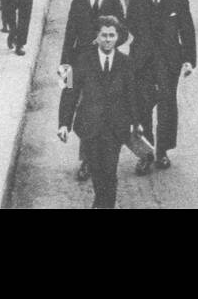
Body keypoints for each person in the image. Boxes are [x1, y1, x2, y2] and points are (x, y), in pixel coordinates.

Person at [57, 16, 140, 210]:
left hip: (114, 128)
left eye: (112, 35)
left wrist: (138, 122)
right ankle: (101, 201)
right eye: (104, 35)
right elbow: (69, 92)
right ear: (97, 36)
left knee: (110, 171)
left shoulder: (126, 62)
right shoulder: (82, 60)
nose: (108, 40)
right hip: (89, 126)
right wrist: (63, 124)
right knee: (96, 170)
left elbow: (132, 95)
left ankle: (105, 205)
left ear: (118, 37)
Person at [126, 0, 196, 173]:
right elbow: (131, 25)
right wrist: (145, 44)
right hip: (143, 61)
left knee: (167, 105)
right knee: (143, 105)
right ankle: (146, 152)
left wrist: (188, 60)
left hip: (169, 61)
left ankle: (162, 151)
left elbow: (187, 31)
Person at [59, 0, 126, 183]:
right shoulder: (77, 5)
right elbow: (69, 38)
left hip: (105, 67)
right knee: (83, 110)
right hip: (81, 66)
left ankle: (100, 157)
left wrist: (107, 42)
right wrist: (64, 70)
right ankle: (86, 160)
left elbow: (123, 33)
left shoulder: (114, 4)